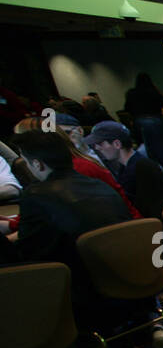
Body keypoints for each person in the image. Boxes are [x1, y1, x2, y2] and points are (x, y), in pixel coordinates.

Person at [8, 130, 136, 331]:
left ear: (37, 164)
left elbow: (31, 250)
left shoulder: (36, 196)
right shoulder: (99, 185)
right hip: (131, 277)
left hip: (88, 294)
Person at [83, 121, 163, 221]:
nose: (97, 148)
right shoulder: (127, 166)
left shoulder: (142, 167)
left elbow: (155, 209)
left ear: (117, 144)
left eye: (100, 143)